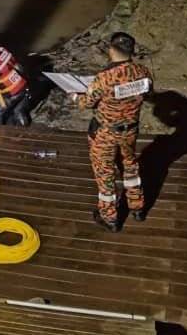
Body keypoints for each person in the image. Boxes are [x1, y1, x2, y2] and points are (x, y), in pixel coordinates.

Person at [74, 32, 153, 232]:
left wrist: (75, 96)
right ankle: (137, 207)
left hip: (105, 134)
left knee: (105, 173)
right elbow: (149, 94)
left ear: (111, 50)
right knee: (130, 166)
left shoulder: (103, 78)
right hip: (130, 131)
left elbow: (86, 103)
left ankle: (109, 217)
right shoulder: (143, 72)